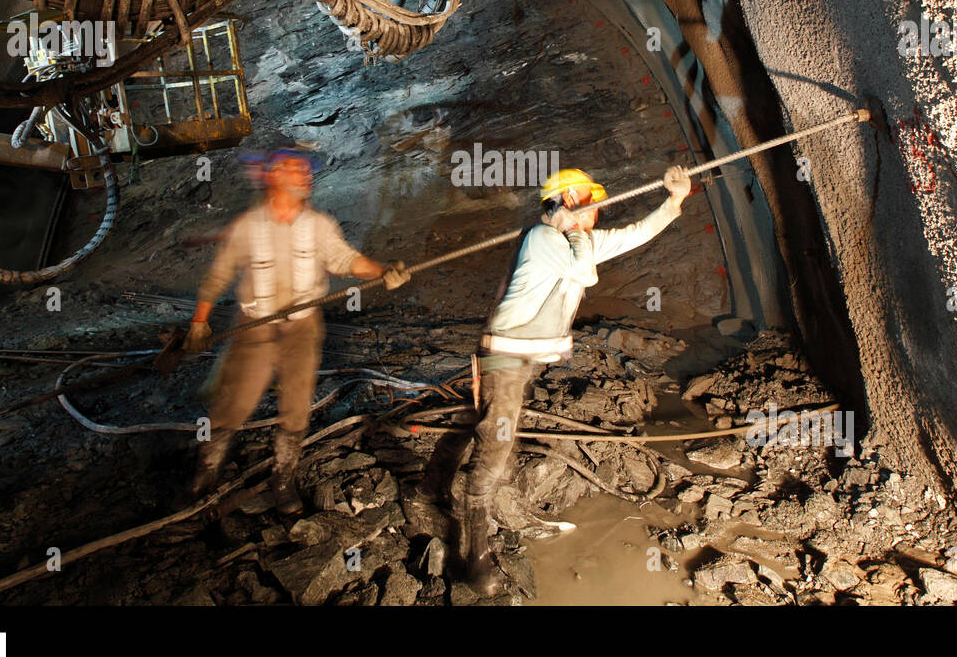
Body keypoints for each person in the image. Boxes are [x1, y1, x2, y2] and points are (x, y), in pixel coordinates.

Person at [418, 165, 692, 594]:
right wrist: (575, 228)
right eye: (590, 199)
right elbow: (585, 272)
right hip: (505, 360)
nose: (599, 209)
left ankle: (430, 487)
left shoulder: (573, 240)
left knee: (486, 428)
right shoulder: (542, 238)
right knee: (494, 452)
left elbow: (634, 233)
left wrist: (673, 201)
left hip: (522, 358)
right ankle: (473, 558)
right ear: (567, 201)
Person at [183, 146, 410, 514]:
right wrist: (198, 322)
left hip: (302, 327)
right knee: (233, 402)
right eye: (296, 169)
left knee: (297, 405)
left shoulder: (319, 225)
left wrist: (383, 271)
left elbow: (346, 260)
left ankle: (283, 480)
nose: (306, 175)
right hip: (254, 327)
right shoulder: (249, 226)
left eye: (307, 170)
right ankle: (205, 476)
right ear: (274, 175)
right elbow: (218, 276)